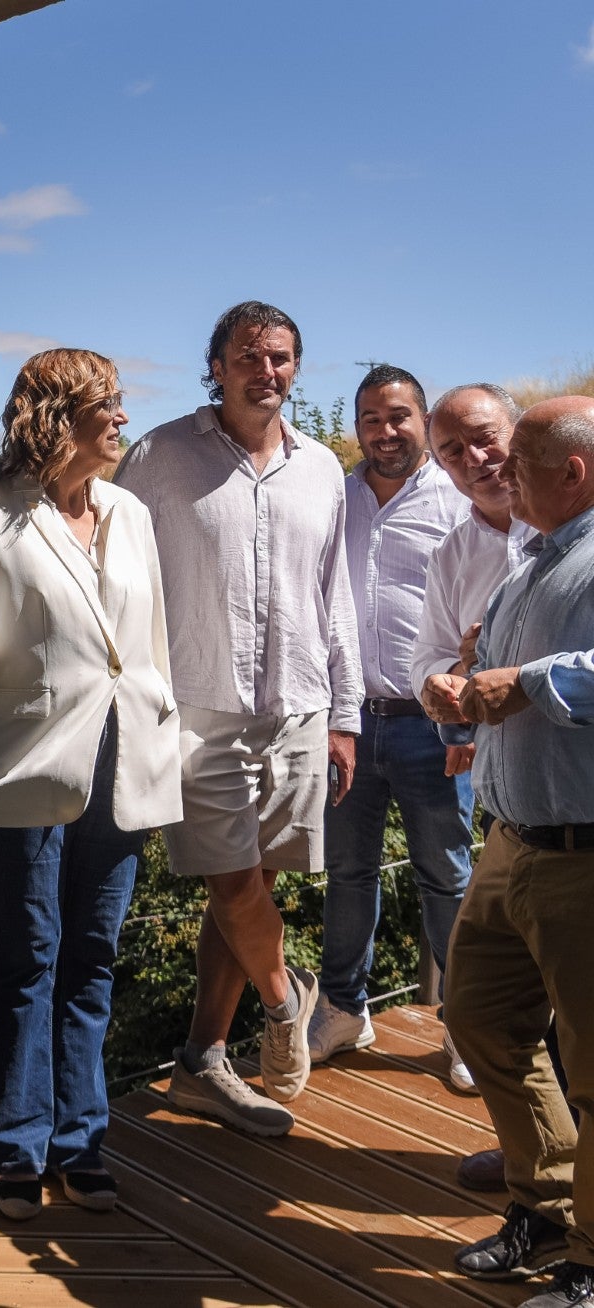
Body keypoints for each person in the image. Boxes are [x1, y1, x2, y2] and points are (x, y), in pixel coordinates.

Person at [0, 348, 182, 1220]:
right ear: (60, 416)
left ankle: (82, 1142)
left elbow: (147, 638)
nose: (123, 421)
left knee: (91, 957)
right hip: (29, 762)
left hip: (125, 757)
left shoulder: (131, 513)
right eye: (110, 406)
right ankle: (16, 1148)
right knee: (28, 955)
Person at [114, 301, 361, 1138]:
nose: (269, 372)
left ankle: (202, 1063)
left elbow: (336, 596)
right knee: (229, 877)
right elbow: (113, 566)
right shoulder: (158, 456)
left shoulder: (324, 467)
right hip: (197, 707)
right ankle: (287, 997)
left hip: (298, 703)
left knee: (255, 881)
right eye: (250, 356)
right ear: (215, 366)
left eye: (283, 357)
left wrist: (346, 712)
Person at [433, 396, 594, 1308]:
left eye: (519, 463)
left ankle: (592, 1265)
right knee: (484, 1020)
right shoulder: (531, 560)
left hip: (584, 853)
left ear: (569, 472)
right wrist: (456, 682)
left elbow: (538, 679)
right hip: (511, 841)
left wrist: (525, 682)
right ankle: (545, 1203)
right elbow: (486, 661)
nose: (500, 478)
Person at [313, 365, 473, 1088]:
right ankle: (344, 1008)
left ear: (424, 419)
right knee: (347, 873)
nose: (385, 431)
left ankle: (466, 1031)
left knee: (448, 876)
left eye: (400, 416)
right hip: (347, 720)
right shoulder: (333, 498)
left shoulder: (457, 499)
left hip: (433, 725)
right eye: (372, 419)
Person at [412, 382, 539, 1192]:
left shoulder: (575, 530)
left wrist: (505, 661)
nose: (474, 461)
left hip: (580, 805)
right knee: (501, 1007)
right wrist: (448, 688)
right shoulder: (452, 555)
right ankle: (539, 1163)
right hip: (510, 807)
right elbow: (430, 660)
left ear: (517, 434)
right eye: (452, 452)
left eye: (485, 439)